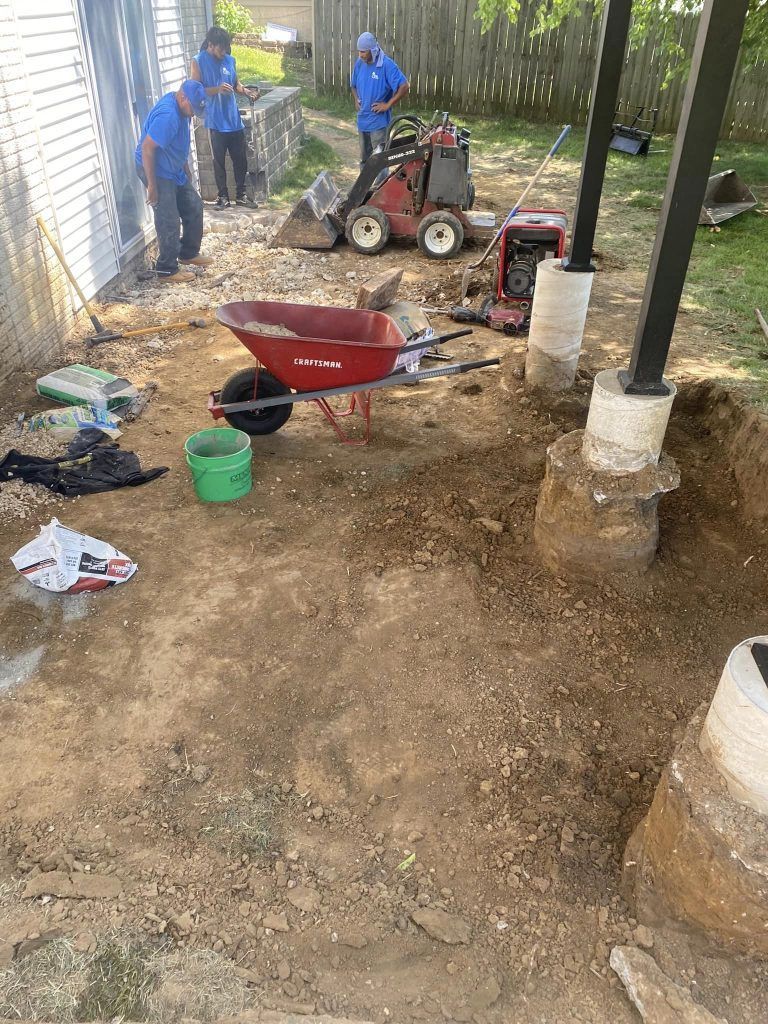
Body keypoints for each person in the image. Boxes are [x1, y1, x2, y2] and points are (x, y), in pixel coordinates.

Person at [135, 80, 211, 284]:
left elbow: (179, 141)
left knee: (194, 205)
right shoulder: (168, 115)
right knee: (168, 218)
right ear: (183, 97)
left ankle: (187, 253)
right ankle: (166, 270)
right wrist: (152, 185)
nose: (193, 113)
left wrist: (185, 167)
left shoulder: (183, 108)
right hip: (155, 170)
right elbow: (147, 149)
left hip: (172, 168)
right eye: (192, 108)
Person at [191, 26, 260, 209]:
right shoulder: (198, 62)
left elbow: (235, 83)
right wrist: (216, 89)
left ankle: (241, 195)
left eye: (226, 48)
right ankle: (222, 197)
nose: (224, 52)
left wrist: (246, 91)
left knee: (240, 159)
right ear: (211, 45)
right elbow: (195, 91)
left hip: (233, 119)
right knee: (218, 161)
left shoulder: (230, 60)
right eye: (221, 48)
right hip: (214, 121)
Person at [350, 31, 409, 169]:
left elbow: (404, 86)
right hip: (362, 121)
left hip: (378, 124)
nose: (360, 55)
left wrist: (387, 105)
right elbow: (353, 85)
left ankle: (379, 190)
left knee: (379, 162)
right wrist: (356, 98)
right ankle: (363, 189)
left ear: (373, 50)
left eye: (363, 52)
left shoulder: (386, 65)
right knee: (364, 160)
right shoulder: (360, 63)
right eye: (359, 51)